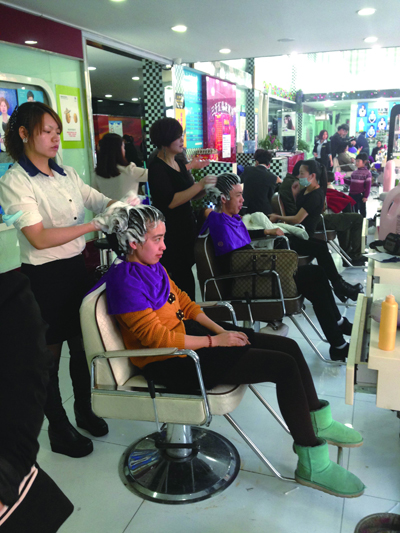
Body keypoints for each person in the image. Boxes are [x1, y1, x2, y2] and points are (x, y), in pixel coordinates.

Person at [92, 202, 365, 497]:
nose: (164, 246)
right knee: (283, 367)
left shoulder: (152, 267)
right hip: (169, 362)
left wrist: (220, 331)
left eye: (163, 238)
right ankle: (312, 462)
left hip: (186, 340)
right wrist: (214, 341)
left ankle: (317, 421)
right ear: (133, 242)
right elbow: (156, 339)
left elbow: (185, 303)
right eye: (157, 239)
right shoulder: (125, 282)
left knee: (289, 347)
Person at [0, 101, 120, 459]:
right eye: (47, 131)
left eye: (58, 131)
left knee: (83, 346)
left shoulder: (66, 173)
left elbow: (99, 200)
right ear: (24, 134)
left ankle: (84, 409)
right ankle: (58, 427)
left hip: (76, 271)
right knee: (48, 357)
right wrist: (93, 225)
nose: (56, 138)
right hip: (43, 277)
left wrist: (120, 207)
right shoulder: (14, 181)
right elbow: (38, 237)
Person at [200, 173, 355, 361]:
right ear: (223, 198)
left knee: (316, 274)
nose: (243, 200)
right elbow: (206, 214)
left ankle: (338, 334)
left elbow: (243, 237)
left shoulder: (232, 219)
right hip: (245, 280)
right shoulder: (218, 221)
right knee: (314, 275)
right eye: (238, 195)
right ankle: (338, 339)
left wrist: (265, 231)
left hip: (253, 273)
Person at [0, 271, 74, 532]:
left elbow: (29, 367)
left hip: (68, 272)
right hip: (45, 275)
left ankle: (80, 415)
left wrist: (10, 469)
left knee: (72, 348)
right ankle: (59, 425)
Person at [269, 160, 363, 302]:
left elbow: (298, 219)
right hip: (299, 235)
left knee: (321, 248)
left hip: (302, 234)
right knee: (321, 248)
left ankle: (339, 285)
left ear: (312, 175)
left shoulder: (316, 194)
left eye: (302, 173)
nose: (299, 177)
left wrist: (277, 217)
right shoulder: (305, 191)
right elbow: (299, 215)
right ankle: (340, 285)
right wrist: (295, 193)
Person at [148, 117, 216, 299]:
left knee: (187, 273)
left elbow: (188, 195)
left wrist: (206, 189)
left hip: (186, 227)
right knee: (178, 277)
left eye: (182, 135)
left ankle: (188, 312)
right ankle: (180, 313)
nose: (181, 140)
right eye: (177, 136)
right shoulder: (157, 168)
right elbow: (170, 202)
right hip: (171, 231)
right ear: (165, 138)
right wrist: (200, 185)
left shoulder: (178, 163)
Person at [92, 132, 148, 199]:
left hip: (107, 206)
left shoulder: (97, 174)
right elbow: (154, 175)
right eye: (123, 147)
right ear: (118, 150)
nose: (124, 151)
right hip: (128, 206)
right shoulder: (130, 171)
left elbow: (95, 199)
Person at [242, 148, 281, 215]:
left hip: (247, 211)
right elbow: (272, 196)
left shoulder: (247, 171)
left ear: (256, 162)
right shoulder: (273, 177)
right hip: (264, 213)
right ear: (269, 165)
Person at [344, 152, 372, 218]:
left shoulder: (367, 173)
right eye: (356, 161)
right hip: (351, 194)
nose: (356, 163)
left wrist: (366, 196)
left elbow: (368, 186)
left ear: (365, 162)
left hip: (360, 195)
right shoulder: (354, 173)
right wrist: (343, 180)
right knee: (353, 210)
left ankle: (363, 222)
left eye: (358, 161)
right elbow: (351, 183)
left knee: (362, 211)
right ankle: (355, 221)